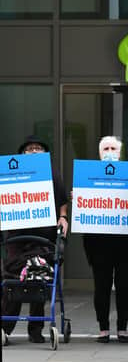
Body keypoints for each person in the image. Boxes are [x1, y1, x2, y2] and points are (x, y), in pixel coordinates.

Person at [1, 135, 69, 345]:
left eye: (38, 148)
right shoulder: (10, 175)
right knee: (13, 278)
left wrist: (63, 218)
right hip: (17, 235)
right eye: (29, 148)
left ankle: (36, 328)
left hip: (44, 235)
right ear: (22, 154)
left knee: (39, 277)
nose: (33, 151)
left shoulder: (52, 174)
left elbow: (62, 202)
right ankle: (5, 327)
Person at [82, 136, 128, 343]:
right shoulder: (88, 176)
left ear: (120, 152)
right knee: (102, 286)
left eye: (113, 148)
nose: (109, 151)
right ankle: (103, 328)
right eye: (105, 148)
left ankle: (122, 328)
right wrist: (78, 197)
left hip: (125, 242)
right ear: (99, 153)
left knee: (125, 287)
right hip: (99, 244)